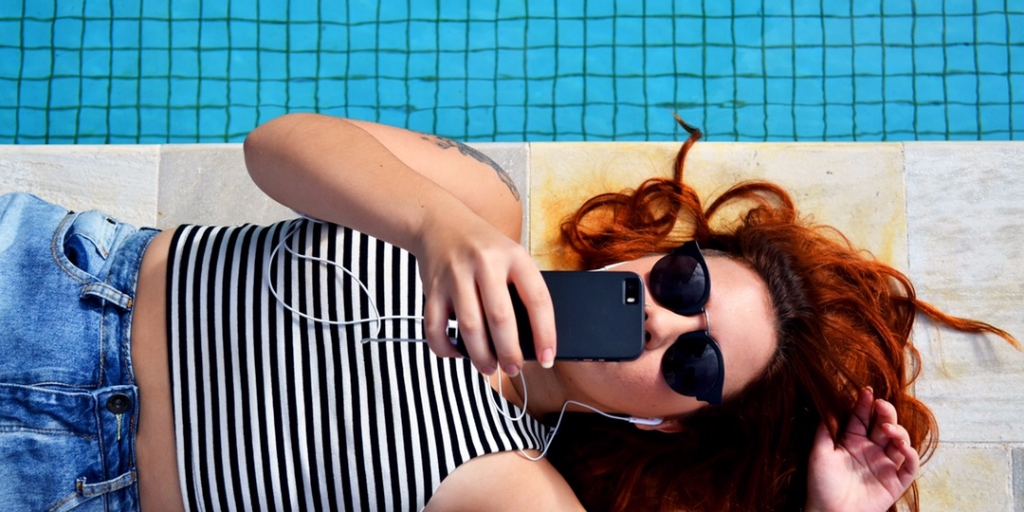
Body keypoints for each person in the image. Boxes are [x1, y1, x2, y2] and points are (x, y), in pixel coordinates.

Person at [0, 113, 1014, 512]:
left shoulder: (519, 488)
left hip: (64, 482)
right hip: (57, 282)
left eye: (696, 365)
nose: (665, 323)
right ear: (665, 252)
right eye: (688, 285)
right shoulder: (480, 208)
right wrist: (437, 227)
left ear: (667, 418)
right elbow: (276, 148)